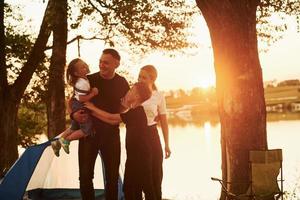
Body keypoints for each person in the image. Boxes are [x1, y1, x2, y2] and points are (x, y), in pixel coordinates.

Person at [72, 48, 129, 200]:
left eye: (106, 63)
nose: (102, 65)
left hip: (111, 136)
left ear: (116, 64)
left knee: (112, 179)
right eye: (100, 62)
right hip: (88, 135)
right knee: (84, 177)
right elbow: (72, 100)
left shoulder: (122, 83)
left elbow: (125, 108)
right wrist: (73, 114)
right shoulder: (88, 80)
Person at [85, 82, 156, 200]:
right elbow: (112, 120)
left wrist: (93, 108)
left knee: (146, 188)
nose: (128, 92)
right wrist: (93, 113)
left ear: (137, 96)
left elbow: (112, 118)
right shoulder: (133, 111)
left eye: (131, 90)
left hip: (142, 156)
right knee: (130, 187)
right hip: (133, 156)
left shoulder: (137, 112)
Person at [51, 58, 98, 157]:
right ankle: (66, 140)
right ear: (76, 73)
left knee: (74, 127)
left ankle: (56, 143)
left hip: (75, 105)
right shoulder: (83, 83)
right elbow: (81, 98)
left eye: (85, 64)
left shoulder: (82, 80)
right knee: (86, 130)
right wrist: (93, 93)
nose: (86, 66)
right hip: (79, 106)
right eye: (82, 67)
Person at [138, 65, 171, 200]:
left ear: (153, 79)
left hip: (152, 136)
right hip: (137, 137)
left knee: (156, 174)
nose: (140, 79)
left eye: (144, 77)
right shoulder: (133, 93)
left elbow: (163, 121)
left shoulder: (158, 96)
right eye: (139, 76)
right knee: (142, 175)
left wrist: (167, 145)